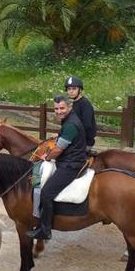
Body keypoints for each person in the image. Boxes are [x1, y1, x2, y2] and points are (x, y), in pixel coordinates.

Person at [27, 95, 88, 241]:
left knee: (46, 192)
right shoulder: (69, 120)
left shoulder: (71, 124)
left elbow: (58, 150)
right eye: (56, 109)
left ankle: (45, 230)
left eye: (62, 108)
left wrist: (46, 157)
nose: (59, 111)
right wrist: (59, 134)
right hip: (70, 160)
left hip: (70, 164)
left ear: (69, 107)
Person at [65, 76, 97, 154]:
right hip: (76, 139)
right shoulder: (75, 103)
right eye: (69, 89)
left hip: (84, 142)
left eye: (74, 89)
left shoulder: (85, 104)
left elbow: (87, 125)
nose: (71, 91)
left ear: (80, 90)